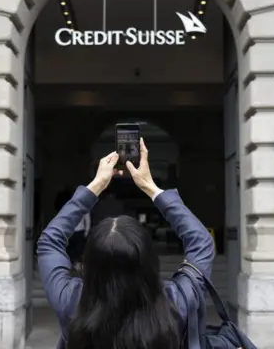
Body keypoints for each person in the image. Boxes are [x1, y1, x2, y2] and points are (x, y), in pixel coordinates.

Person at [37, 138, 215, 349]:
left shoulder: (71, 300)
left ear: (90, 262)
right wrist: (150, 187)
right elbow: (202, 242)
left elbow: (49, 242)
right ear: (150, 261)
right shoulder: (177, 302)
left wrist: (95, 186)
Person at [54, 187, 91, 266]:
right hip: (80, 232)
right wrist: (86, 232)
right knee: (77, 252)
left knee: (69, 251)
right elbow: (87, 219)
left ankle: (69, 267)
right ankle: (75, 267)